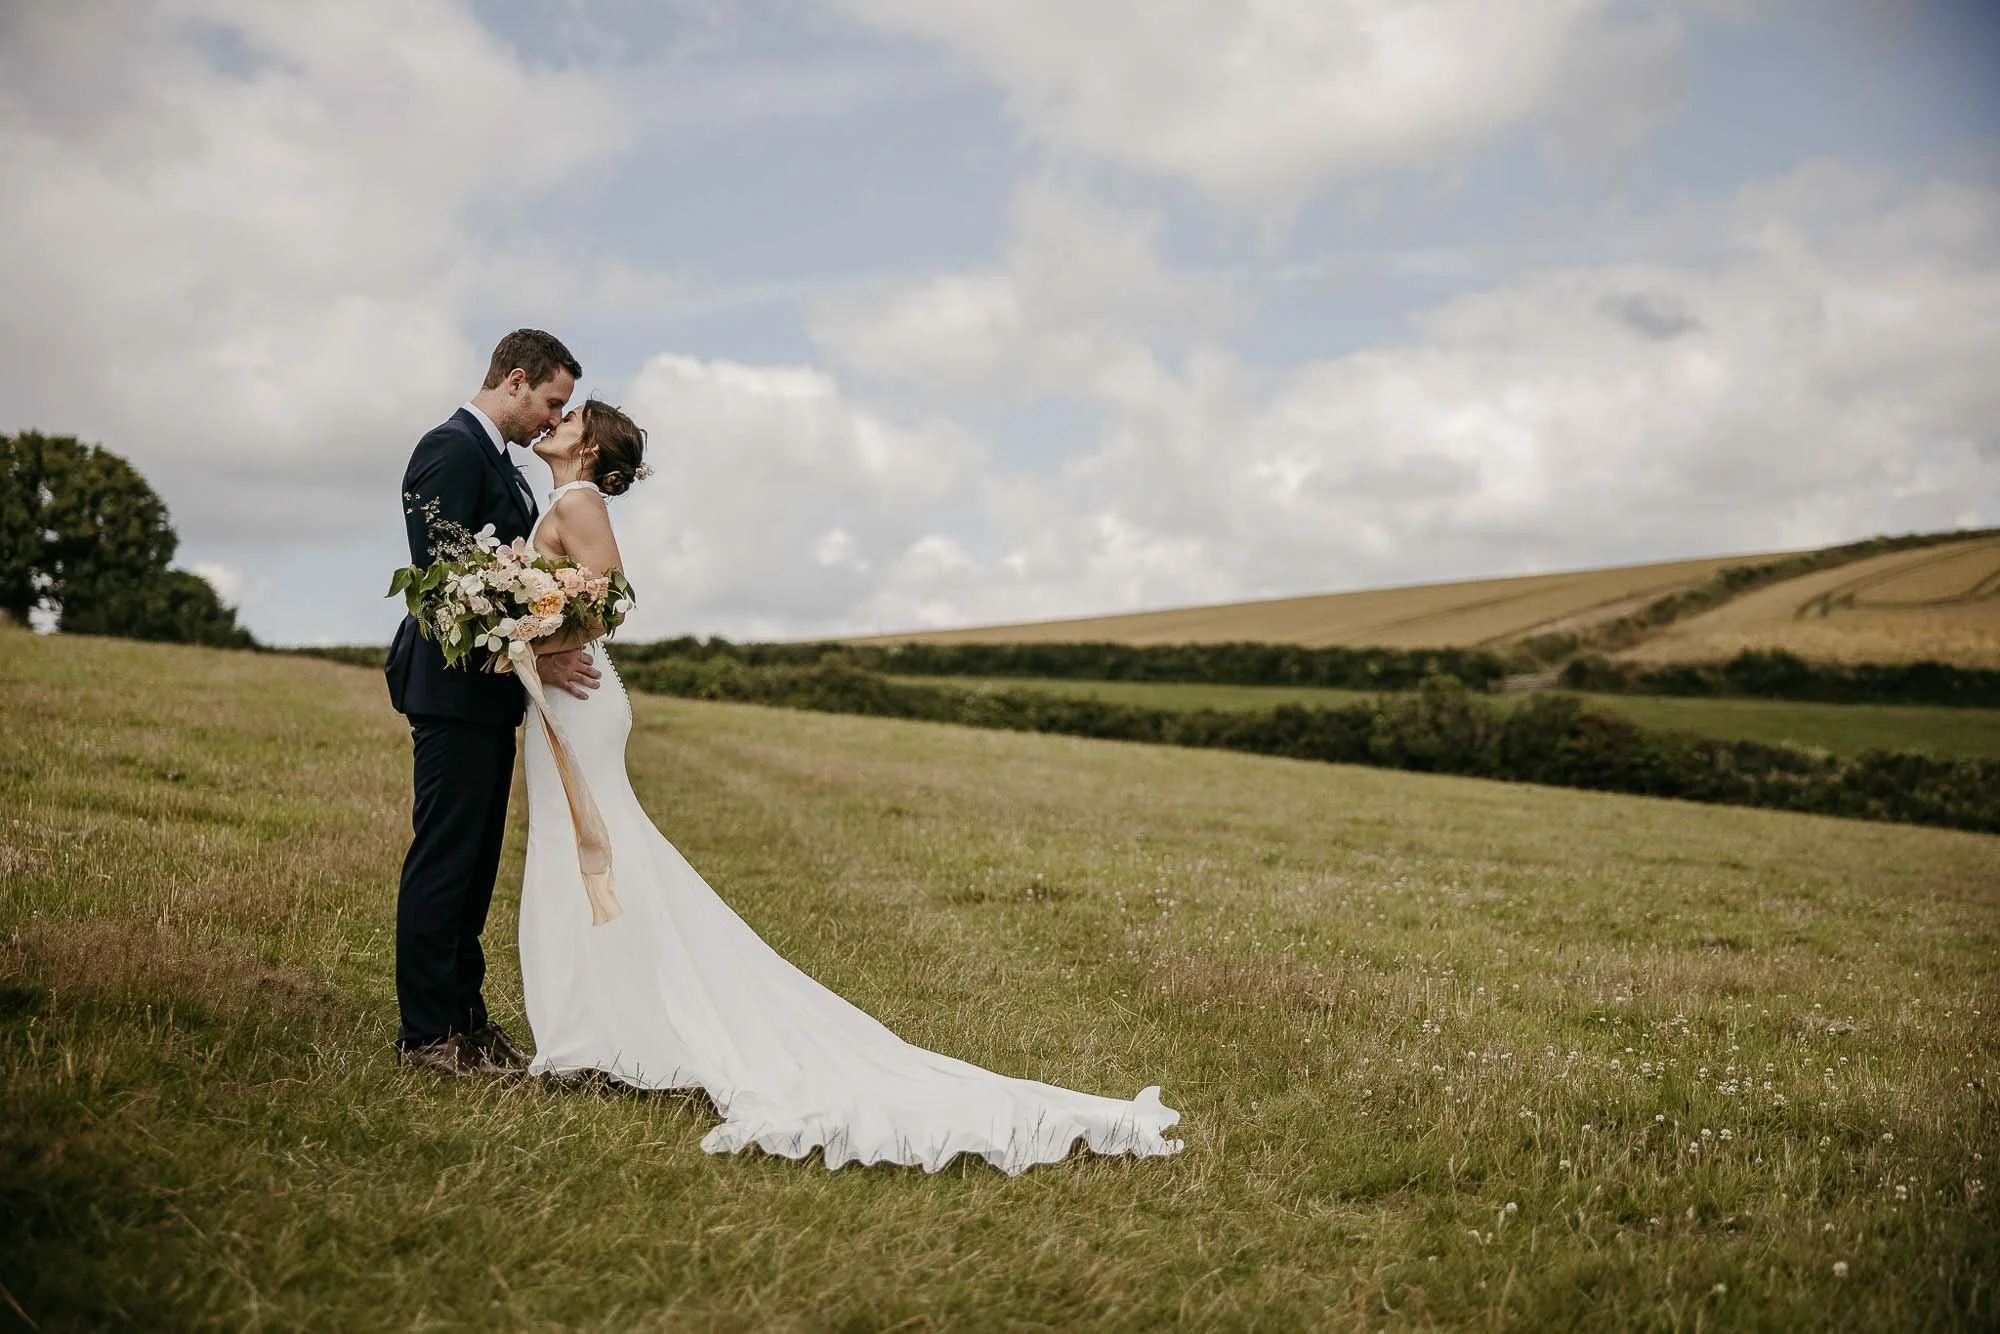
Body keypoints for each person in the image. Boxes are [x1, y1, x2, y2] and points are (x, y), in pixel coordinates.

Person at [506, 398, 1185, 1174]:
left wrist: (531, 639)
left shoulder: (578, 501)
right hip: (561, 694)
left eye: (570, 418)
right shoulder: (563, 501)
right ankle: (604, 1030)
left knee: (592, 849)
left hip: (579, 696)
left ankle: (604, 1035)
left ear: (591, 448)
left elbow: (610, 598)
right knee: (588, 851)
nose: (554, 421)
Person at [384, 329, 601, 1075]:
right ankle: (426, 1034)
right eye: (550, 402)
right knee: (445, 858)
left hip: (491, 693)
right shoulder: (448, 449)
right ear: (515, 380)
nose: (552, 419)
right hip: (450, 689)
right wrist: (544, 645)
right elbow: (445, 587)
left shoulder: (504, 470)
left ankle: (467, 1020)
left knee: (475, 867)